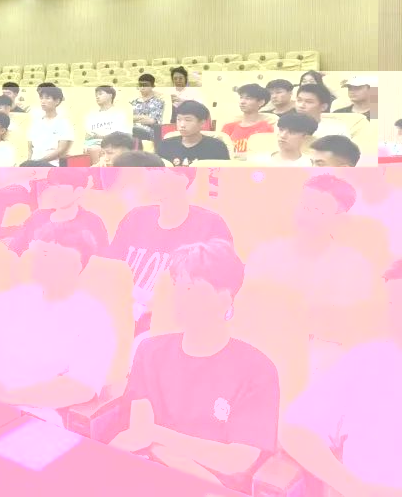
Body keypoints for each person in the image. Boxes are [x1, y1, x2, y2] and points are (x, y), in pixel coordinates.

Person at [111, 240, 280, 493]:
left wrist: (157, 435)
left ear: (225, 299)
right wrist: (182, 461)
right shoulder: (150, 351)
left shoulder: (257, 370)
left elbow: (236, 460)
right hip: (152, 473)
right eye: (177, 287)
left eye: (191, 288)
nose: (179, 298)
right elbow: (139, 430)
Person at [0, 218, 116, 423]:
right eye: (41, 254)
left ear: (76, 266)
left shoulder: (93, 317)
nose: (42, 262)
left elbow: (82, 386)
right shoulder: (13, 297)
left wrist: (10, 397)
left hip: (35, 412)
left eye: (53, 257)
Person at [279, 260, 402, 496]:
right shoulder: (367, 359)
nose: (396, 316)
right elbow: (295, 430)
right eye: (392, 304)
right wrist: (351, 487)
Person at [245, 174, 374, 373]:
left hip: (322, 359)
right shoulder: (265, 254)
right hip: (267, 348)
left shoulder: (354, 265)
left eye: (318, 211)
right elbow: (250, 312)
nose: (307, 217)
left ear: (340, 219)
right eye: (304, 207)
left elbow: (349, 328)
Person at [106, 166, 232, 328]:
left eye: (160, 171)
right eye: (149, 170)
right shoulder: (135, 218)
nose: (150, 177)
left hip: (169, 324)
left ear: (183, 179)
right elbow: (109, 271)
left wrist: (161, 306)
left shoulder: (210, 226)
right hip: (119, 316)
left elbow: (218, 289)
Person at [9, 168, 109, 254]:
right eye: (51, 187)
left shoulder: (92, 222)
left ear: (78, 192)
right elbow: (15, 249)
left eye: (59, 188)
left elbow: (101, 258)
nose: (54, 193)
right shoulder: (37, 217)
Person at [157, 101, 230, 167]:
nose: (182, 125)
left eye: (188, 120)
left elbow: (224, 175)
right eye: (179, 119)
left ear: (202, 123)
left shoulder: (217, 147)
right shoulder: (165, 145)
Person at [220, 84, 274, 156]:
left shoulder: (266, 127)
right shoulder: (228, 127)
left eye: (248, 98)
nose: (242, 101)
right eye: (241, 97)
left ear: (261, 102)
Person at [83, 85, 132, 165]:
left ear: (110, 95)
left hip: (113, 144)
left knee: (96, 150)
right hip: (94, 145)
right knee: (93, 149)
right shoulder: (91, 115)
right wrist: (85, 145)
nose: (97, 97)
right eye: (96, 95)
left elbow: (123, 136)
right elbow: (88, 136)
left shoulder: (119, 114)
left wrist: (101, 137)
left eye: (100, 94)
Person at [253, 111, 317, 166]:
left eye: (292, 132)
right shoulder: (259, 160)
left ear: (305, 137)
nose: (282, 135)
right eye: (281, 130)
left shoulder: (310, 165)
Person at [132, 74, 165, 143]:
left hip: (149, 132)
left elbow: (152, 121)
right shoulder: (134, 102)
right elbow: (127, 118)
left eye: (145, 85)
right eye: (140, 85)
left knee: (133, 130)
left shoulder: (158, 102)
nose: (142, 87)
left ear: (152, 86)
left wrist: (135, 119)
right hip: (131, 130)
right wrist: (143, 117)